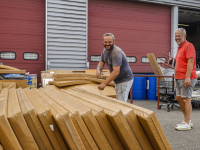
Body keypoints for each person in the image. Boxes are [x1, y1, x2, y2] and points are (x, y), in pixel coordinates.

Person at [96, 33, 133, 102]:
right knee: (118, 99)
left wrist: (104, 83)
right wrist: (98, 70)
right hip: (117, 79)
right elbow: (101, 63)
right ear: (103, 42)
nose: (107, 44)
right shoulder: (104, 51)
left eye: (109, 42)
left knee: (121, 102)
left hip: (124, 79)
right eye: (105, 42)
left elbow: (116, 71)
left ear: (113, 41)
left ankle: (124, 111)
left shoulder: (116, 52)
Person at [174, 28, 197, 131]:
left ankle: (187, 123)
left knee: (186, 99)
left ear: (185, 36)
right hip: (178, 78)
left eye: (179, 36)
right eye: (176, 36)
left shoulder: (188, 46)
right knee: (179, 98)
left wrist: (187, 77)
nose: (177, 38)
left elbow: (191, 62)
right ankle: (187, 120)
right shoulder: (180, 47)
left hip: (186, 77)